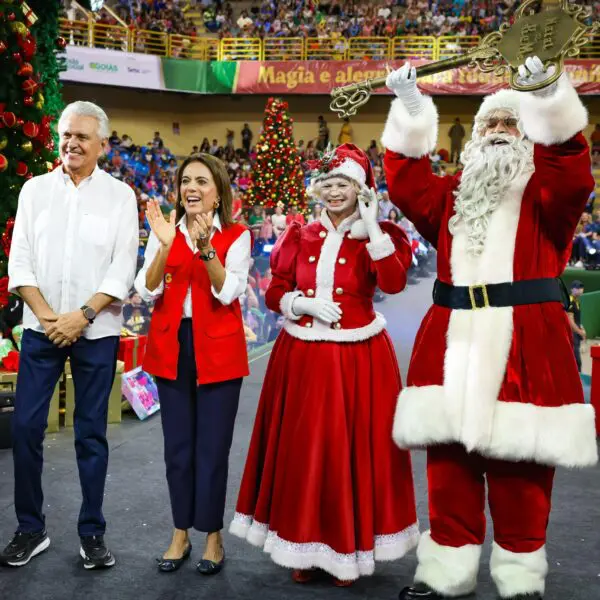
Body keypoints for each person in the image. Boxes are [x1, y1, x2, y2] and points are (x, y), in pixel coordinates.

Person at [382, 58, 597, 600]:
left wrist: (547, 95)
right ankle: (445, 570)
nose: (500, 134)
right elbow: (407, 184)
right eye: (490, 126)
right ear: (473, 138)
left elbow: (571, 164)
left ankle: (521, 578)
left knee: (520, 475)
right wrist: (412, 110)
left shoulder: (549, 199)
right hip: (452, 342)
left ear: (529, 136)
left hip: (525, 347)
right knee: (449, 468)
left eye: (512, 124)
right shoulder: (452, 195)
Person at [230, 144, 419, 585]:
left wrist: (372, 228)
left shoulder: (382, 232)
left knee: (350, 453)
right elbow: (276, 289)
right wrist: (302, 302)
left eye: (344, 184)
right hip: (305, 356)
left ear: (360, 189)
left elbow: (392, 281)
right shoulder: (299, 235)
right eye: (328, 184)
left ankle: (347, 550)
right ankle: (304, 546)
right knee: (306, 451)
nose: (335, 192)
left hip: (359, 358)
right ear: (319, 190)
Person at [1, 101, 139, 569]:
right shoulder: (34, 190)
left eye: (82, 136)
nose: (71, 143)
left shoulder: (121, 197)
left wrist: (81, 316)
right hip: (42, 331)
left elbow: (124, 266)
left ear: (103, 142)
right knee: (25, 429)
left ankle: (92, 533)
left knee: (90, 435)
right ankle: (30, 528)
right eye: (65, 135)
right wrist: (48, 316)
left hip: (96, 331)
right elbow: (19, 261)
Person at [135, 153, 251, 575]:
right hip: (172, 347)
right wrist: (165, 246)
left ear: (218, 191)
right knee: (177, 449)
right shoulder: (166, 231)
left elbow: (228, 291)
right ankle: (180, 532)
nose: (192, 189)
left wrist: (206, 251)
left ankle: (213, 537)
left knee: (212, 449)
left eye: (202, 181)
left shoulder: (237, 235)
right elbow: (147, 289)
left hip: (218, 349)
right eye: (186, 181)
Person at [567, 280, 586, 372]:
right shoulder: (570, 301)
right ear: (572, 289)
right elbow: (570, 321)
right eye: (577, 288)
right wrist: (580, 332)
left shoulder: (577, 301)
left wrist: (581, 327)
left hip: (576, 334)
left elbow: (577, 319)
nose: (580, 290)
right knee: (576, 361)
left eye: (581, 288)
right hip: (572, 334)